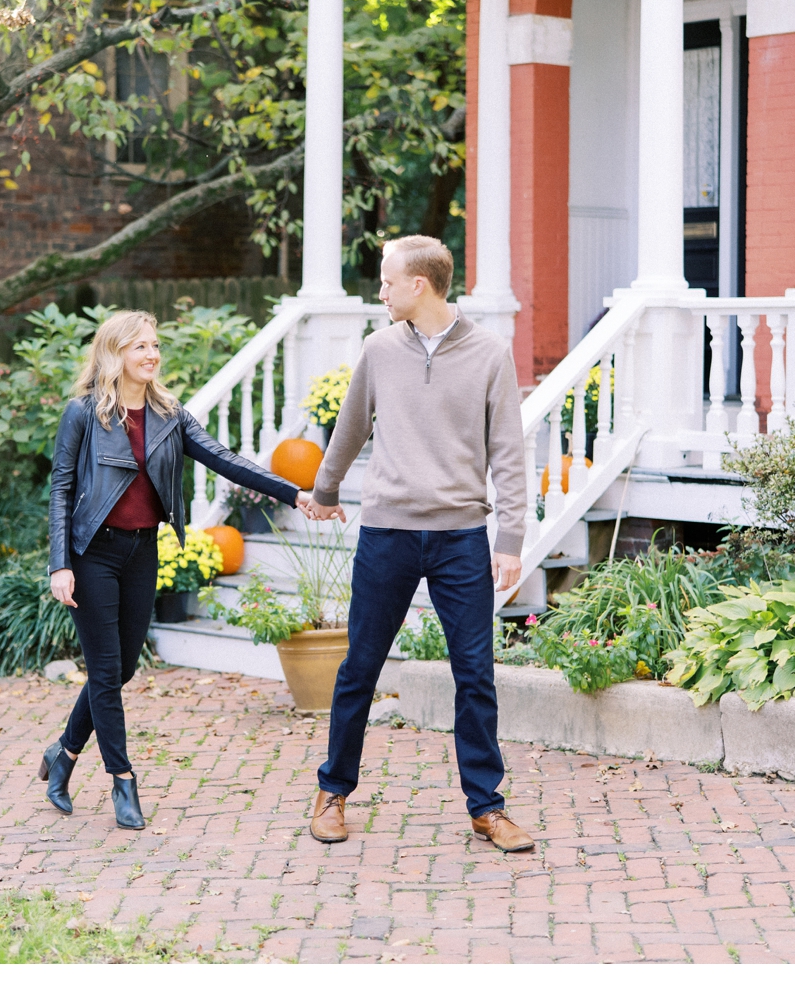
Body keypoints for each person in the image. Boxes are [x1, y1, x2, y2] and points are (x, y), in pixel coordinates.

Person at [304, 235, 536, 852]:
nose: (379, 292)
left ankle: (487, 807)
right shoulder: (378, 349)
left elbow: (509, 454)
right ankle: (333, 792)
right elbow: (350, 427)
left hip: (461, 535)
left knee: (476, 674)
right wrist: (324, 491)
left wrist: (509, 536)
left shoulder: (490, 353)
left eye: (386, 281)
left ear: (420, 285)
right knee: (360, 666)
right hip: (388, 532)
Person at [41, 310, 312, 829]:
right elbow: (61, 489)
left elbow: (225, 459)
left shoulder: (170, 414)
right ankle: (123, 780)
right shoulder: (84, 413)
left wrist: (294, 492)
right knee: (105, 670)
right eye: (139, 346)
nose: (151, 354)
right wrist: (60, 563)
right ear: (114, 353)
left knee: (121, 669)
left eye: (154, 345)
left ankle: (64, 754)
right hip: (91, 553)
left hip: (143, 551)